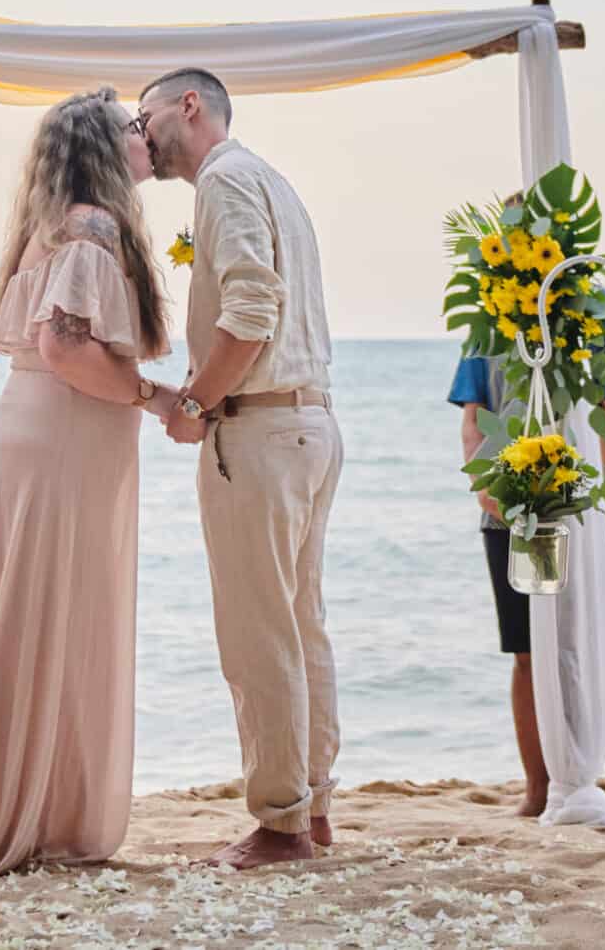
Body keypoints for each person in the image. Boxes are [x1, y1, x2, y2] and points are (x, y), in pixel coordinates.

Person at [0, 88, 176, 877]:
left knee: (28, 619)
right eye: (131, 126)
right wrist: (155, 398)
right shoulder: (92, 228)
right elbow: (63, 345)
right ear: (102, 148)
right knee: (57, 616)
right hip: (61, 441)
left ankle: (20, 804)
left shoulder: (49, 228)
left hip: (28, 436)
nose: (145, 134)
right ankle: (39, 814)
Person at [136, 67, 342, 871]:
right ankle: (311, 807)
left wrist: (196, 403)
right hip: (308, 422)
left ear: (189, 105)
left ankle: (282, 822)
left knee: (258, 633)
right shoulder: (269, 179)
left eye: (147, 114)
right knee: (300, 623)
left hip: (260, 430)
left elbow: (252, 311)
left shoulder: (224, 180)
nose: (142, 131)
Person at [448, 327, 605, 818]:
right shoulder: (490, 320)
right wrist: (487, 490)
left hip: (584, 513)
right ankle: (537, 788)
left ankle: (579, 777)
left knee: (576, 645)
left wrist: (572, 495)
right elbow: (474, 417)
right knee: (527, 650)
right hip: (507, 513)